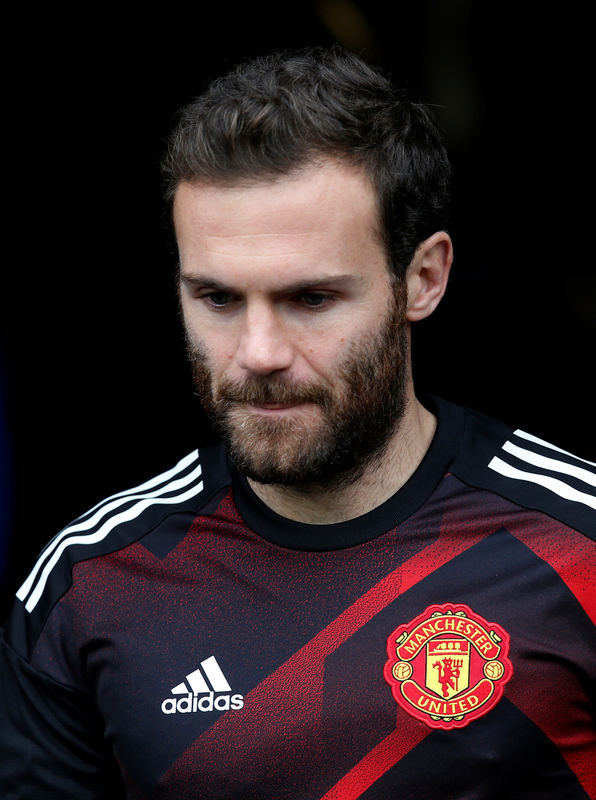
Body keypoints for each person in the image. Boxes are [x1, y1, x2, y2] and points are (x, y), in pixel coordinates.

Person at [1, 46, 595, 800]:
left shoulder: (577, 542)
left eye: (311, 298)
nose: (257, 354)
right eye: (216, 299)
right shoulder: (89, 583)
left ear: (423, 279)